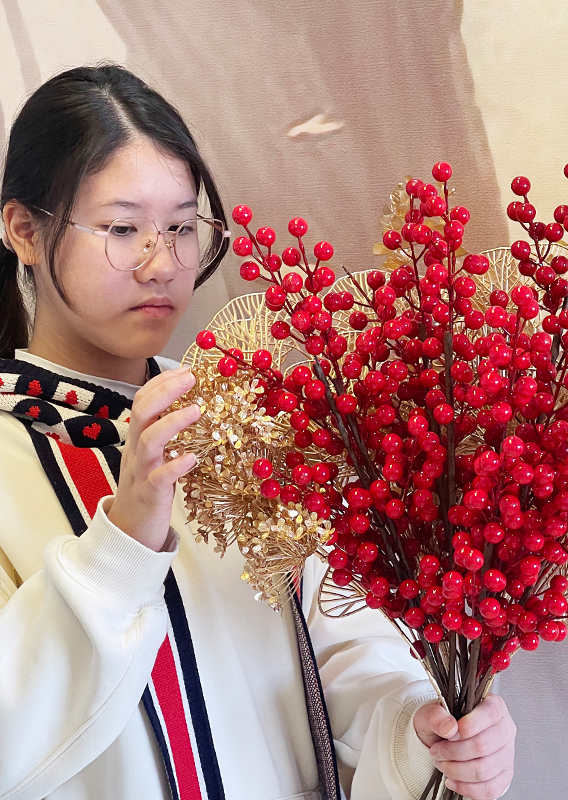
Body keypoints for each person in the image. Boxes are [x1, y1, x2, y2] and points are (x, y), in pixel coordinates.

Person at [0, 65, 516, 800]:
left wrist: (423, 730)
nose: (163, 265)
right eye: (122, 229)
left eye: (182, 227)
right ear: (24, 230)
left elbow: (342, 654)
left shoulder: (242, 429)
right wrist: (126, 538)